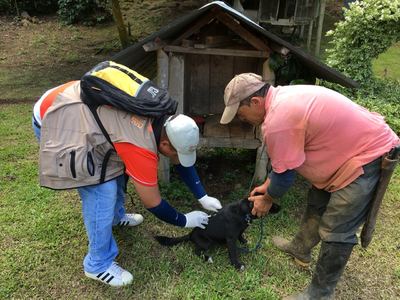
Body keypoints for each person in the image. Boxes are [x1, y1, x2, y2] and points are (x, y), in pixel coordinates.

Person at [220, 73, 399, 299]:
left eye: (240, 113)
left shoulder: (279, 120)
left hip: (368, 155)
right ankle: (300, 248)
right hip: (346, 153)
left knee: (337, 230)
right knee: (317, 201)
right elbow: (284, 163)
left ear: (255, 102)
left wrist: (267, 199)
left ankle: (318, 294)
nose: (240, 118)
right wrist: (268, 183)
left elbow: (285, 178)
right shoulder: (281, 99)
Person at [32, 80, 222, 287]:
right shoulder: (140, 143)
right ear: (165, 143)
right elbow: (153, 202)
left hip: (81, 105)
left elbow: (178, 160)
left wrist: (202, 195)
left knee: (115, 169)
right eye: (177, 153)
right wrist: (184, 220)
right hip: (56, 116)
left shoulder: (163, 116)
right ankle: (97, 264)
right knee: (101, 189)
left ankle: (115, 217)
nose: (177, 158)